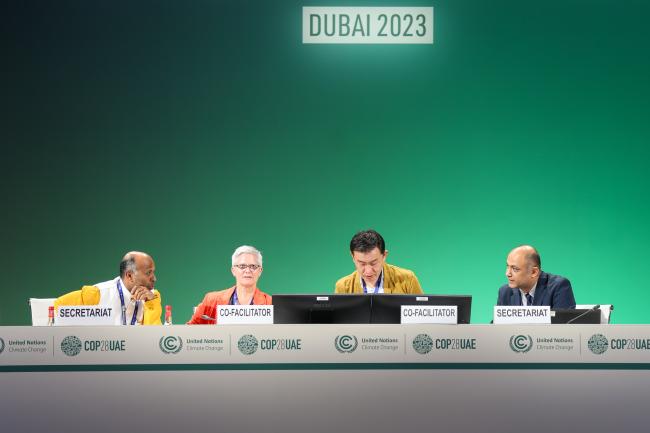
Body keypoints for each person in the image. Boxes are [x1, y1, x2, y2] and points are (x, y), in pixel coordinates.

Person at [54, 251, 162, 325]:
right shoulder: (97, 294)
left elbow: (155, 340)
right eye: (148, 273)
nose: (154, 278)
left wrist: (151, 304)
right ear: (129, 276)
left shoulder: (152, 298)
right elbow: (58, 307)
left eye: (153, 272)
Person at [187, 245, 272, 324]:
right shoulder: (211, 301)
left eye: (253, 266)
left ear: (260, 271)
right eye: (242, 266)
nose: (247, 270)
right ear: (233, 270)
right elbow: (190, 331)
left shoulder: (270, 303)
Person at [334, 229, 423, 294]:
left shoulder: (407, 280)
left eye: (373, 263)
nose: (368, 271)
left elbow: (422, 318)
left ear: (384, 255)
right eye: (362, 263)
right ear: (352, 257)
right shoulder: (343, 287)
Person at [497, 245, 576, 308]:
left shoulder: (558, 287)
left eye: (515, 269)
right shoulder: (505, 292)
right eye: (507, 266)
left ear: (534, 272)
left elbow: (563, 326)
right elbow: (497, 325)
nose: (507, 273)